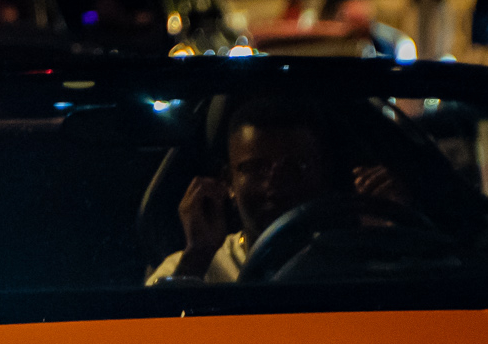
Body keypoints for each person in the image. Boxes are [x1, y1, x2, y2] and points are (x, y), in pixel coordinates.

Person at [148, 99, 399, 284]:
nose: (276, 183)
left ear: (323, 173)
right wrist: (197, 257)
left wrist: (385, 238)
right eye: (256, 168)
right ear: (227, 181)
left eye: (296, 166)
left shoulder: (351, 258)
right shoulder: (193, 266)